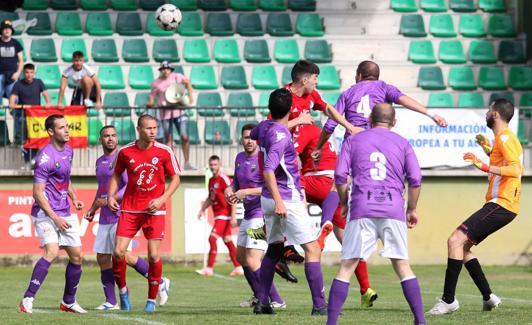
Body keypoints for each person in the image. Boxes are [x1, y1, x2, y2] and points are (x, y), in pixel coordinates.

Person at [326, 103, 426, 325]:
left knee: (347, 267)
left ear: (370, 119)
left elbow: (341, 176)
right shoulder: (402, 143)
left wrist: (343, 202)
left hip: (362, 207)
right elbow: (416, 179)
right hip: (393, 209)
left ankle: (331, 322)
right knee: (402, 265)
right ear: (394, 121)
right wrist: (411, 208)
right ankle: (420, 320)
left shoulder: (353, 140)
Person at [428, 98, 523, 315]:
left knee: (454, 240)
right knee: (462, 248)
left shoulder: (506, 136)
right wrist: (487, 149)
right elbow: (505, 163)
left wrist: (485, 166)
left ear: (496, 114)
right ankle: (489, 297)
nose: (487, 113)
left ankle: (448, 300)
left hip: (502, 203)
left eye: (489, 110)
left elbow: (515, 170)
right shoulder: (504, 138)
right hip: (504, 205)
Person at [250, 88, 327, 316]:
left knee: (273, 249)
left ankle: (263, 302)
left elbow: (255, 133)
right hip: (285, 199)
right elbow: (268, 171)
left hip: (267, 199)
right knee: (312, 249)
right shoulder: (282, 137)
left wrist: (294, 121)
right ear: (291, 109)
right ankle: (320, 306)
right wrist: (280, 202)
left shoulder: (264, 126)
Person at [85, 125, 170, 310]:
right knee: (102, 257)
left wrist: (112, 198)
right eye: (106, 136)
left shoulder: (123, 156)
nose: (110, 139)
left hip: (123, 212)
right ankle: (111, 301)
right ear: (100, 140)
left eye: (113, 135)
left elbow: (130, 185)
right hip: (106, 215)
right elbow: (103, 189)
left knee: (122, 255)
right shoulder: (100, 161)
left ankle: (158, 281)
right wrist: (93, 208)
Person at [294, 123, 377, 308]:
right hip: (336, 186)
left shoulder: (303, 128)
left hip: (317, 180)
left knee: (283, 186)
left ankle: (274, 238)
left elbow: (288, 155)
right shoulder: (324, 134)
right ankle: (366, 289)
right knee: (347, 241)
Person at [108, 114, 180, 313]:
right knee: (118, 252)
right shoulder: (124, 152)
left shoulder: (165, 151)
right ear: (139, 129)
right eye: (149, 128)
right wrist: (110, 195)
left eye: (155, 128)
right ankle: (123, 292)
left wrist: (162, 199)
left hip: (154, 210)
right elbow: (115, 175)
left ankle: (151, 300)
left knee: (154, 255)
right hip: (130, 208)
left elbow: (175, 180)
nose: (153, 132)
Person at [312, 60, 448, 162]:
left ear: (359, 75)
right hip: (377, 140)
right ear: (377, 76)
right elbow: (404, 100)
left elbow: (330, 124)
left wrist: (319, 147)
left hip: (353, 142)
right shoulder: (385, 88)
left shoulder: (347, 94)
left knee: (343, 181)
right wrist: (431, 114)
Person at [18, 114, 86, 314]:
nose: (67, 130)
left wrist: (74, 198)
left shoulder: (69, 151)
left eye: (67, 126)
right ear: (50, 131)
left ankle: (68, 302)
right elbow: (37, 193)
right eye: (62, 127)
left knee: (77, 257)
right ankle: (28, 299)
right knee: (52, 251)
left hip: (65, 210)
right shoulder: (44, 158)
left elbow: (65, 179)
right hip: (45, 212)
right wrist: (55, 217)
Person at [225, 123, 287, 309]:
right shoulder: (239, 158)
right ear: (241, 139)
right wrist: (230, 189)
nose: (249, 141)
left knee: (253, 260)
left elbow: (270, 188)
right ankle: (259, 296)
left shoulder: (264, 159)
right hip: (247, 215)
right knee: (242, 258)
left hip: (261, 215)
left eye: (252, 138)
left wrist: (245, 192)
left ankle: (275, 300)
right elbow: (236, 183)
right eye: (246, 137)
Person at [196, 155, 243, 276]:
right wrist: (202, 210)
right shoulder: (211, 181)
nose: (213, 167)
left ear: (219, 165)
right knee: (228, 240)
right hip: (218, 215)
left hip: (225, 214)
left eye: (215, 164)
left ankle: (209, 268)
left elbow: (232, 197)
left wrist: (233, 216)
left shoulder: (224, 179)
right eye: (211, 165)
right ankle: (238, 267)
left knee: (212, 239)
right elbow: (210, 198)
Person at [147, 61, 195, 170]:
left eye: (167, 68)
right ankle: (171, 164)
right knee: (168, 139)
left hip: (179, 112)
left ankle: (187, 162)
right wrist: (150, 103)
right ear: (161, 70)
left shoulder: (177, 77)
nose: (165, 70)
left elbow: (187, 82)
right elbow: (151, 99)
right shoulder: (156, 83)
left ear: (170, 70)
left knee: (184, 136)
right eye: (163, 69)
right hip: (165, 114)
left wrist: (190, 96)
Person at [9, 63, 51, 167]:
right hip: (23, 115)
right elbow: (12, 98)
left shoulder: (39, 82)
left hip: (36, 116)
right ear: (24, 73)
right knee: (26, 139)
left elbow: (46, 94)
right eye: (27, 72)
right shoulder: (18, 84)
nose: (29, 75)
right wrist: (11, 103)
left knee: (36, 137)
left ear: (34, 73)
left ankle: (33, 160)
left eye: (31, 72)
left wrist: (48, 103)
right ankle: (29, 161)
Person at [0, 20, 22, 100]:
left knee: (14, 99)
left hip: (12, 75)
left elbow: (21, 61)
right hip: (0, 74)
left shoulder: (16, 43)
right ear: (1, 30)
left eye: (9, 28)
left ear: (11, 30)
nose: (7, 30)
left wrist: (18, 73)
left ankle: (14, 112)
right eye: (5, 28)